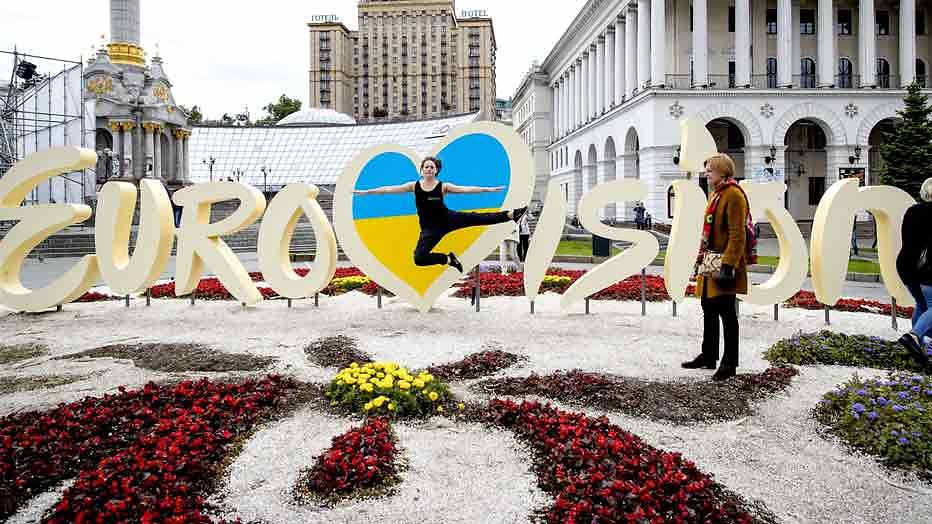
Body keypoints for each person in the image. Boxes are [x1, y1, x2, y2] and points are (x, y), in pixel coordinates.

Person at [354, 156, 527, 273]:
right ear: (421, 170)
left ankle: (512, 214)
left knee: (478, 218)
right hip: (430, 229)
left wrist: (487, 189)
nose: (429, 169)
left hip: (448, 219)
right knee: (419, 258)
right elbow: (388, 189)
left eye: (432, 167)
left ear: (436, 170)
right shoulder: (414, 186)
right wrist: (366, 192)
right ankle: (448, 259)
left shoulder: (443, 186)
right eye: (426, 167)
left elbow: (466, 189)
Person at [682, 153, 751, 381]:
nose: (706, 173)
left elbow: (737, 234)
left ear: (723, 171)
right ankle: (709, 355)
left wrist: (728, 265)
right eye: (706, 170)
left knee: (727, 312)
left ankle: (730, 363)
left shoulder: (733, 194)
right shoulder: (716, 193)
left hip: (723, 262)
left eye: (710, 170)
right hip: (710, 259)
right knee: (708, 307)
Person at [895, 177, 932, 367]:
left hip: (906, 265)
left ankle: (916, 349)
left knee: (921, 304)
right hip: (927, 268)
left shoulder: (912, 211)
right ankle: (914, 336)